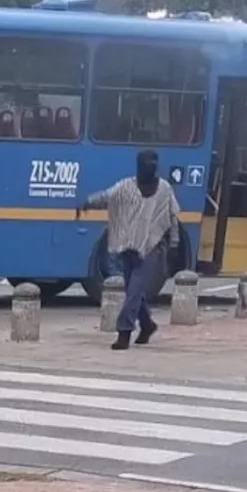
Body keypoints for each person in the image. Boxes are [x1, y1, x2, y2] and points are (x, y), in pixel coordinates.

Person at [76, 150, 181, 350]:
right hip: (128, 245)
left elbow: (172, 216)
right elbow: (108, 196)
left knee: (134, 290)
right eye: (147, 161)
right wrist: (88, 202)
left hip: (152, 247)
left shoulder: (164, 189)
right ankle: (148, 325)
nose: (151, 165)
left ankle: (124, 332)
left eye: (154, 161)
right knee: (135, 290)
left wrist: (174, 243)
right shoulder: (126, 186)